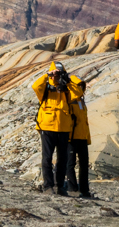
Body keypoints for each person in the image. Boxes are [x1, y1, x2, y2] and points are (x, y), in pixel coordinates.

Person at [31, 62, 82, 195]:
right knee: (47, 158)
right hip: (47, 127)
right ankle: (48, 186)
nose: (56, 76)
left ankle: (59, 186)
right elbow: (35, 86)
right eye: (55, 73)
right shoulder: (46, 88)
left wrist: (68, 80)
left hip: (64, 127)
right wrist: (47, 75)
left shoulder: (67, 88)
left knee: (62, 159)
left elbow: (78, 93)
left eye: (59, 73)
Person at [63, 76, 92, 198]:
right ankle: (72, 188)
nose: (81, 88)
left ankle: (84, 189)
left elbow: (84, 121)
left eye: (82, 86)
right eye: (78, 86)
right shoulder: (69, 100)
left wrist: (87, 138)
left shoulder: (81, 100)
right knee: (70, 163)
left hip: (82, 137)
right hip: (72, 137)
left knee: (84, 164)